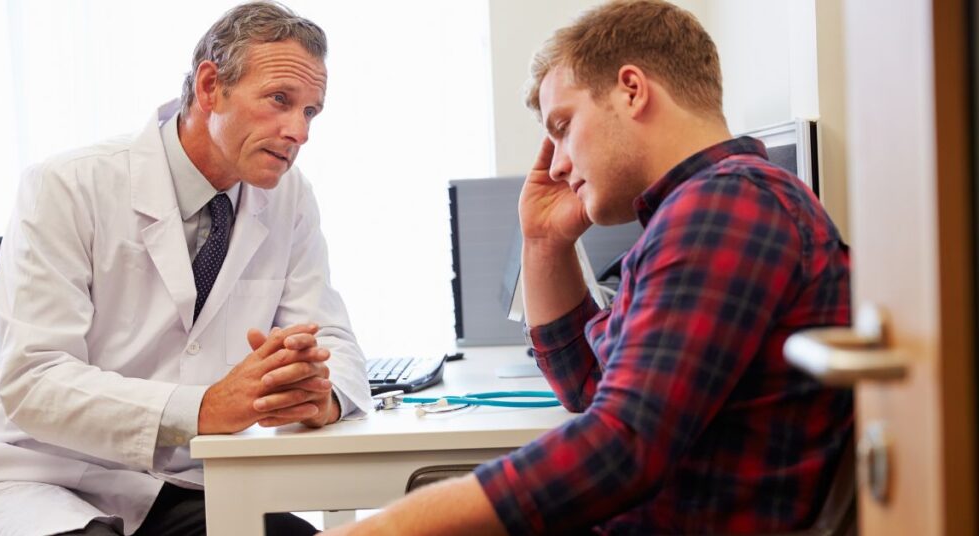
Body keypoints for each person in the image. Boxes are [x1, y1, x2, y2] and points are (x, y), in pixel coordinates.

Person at [325, 1, 852, 534]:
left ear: (631, 90)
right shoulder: (704, 208)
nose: (555, 165)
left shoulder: (727, 204)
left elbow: (622, 443)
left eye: (563, 126)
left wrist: (386, 529)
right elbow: (589, 387)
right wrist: (543, 239)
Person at [0, 2, 372, 535]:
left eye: (311, 111)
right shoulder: (66, 186)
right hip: (36, 473)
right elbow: (34, 381)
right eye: (279, 101)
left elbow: (329, 335)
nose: (299, 131)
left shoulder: (289, 198)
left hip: (176, 482)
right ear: (208, 87)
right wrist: (202, 408)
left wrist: (321, 394)